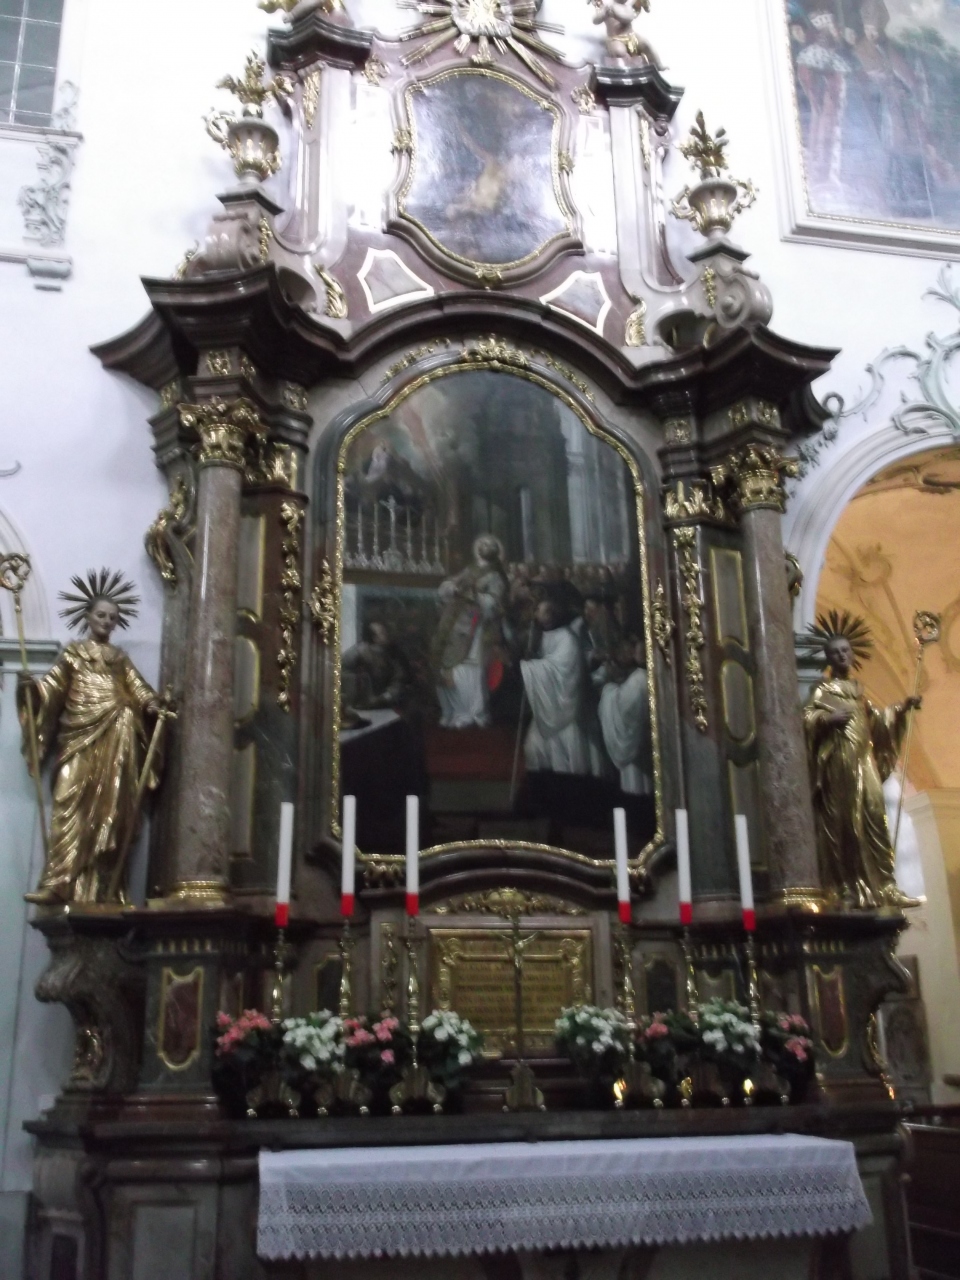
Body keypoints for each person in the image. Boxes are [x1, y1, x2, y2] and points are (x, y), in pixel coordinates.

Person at [18, 570, 164, 906]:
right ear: (87, 616)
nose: (107, 621)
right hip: (77, 737)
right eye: (101, 615)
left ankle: (103, 887)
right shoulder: (73, 655)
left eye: (113, 617)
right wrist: (32, 691)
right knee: (67, 803)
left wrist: (153, 704)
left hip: (117, 733)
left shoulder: (119, 660)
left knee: (111, 811)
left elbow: (140, 689)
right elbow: (51, 689)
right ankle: (58, 882)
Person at [803, 611, 920, 909]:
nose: (842, 655)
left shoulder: (859, 693)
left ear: (852, 653)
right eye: (835, 652)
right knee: (845, 823)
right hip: (839, 763)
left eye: (845, 650)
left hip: (864, 761)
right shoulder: (823, 690)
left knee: (874, 818)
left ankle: (886, 886)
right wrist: (828, 719)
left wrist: (901, 710)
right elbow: (806, 719)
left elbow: (878, 723)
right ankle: (845, 887)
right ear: (828, 659)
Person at [520, 596, 605, 777]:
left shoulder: (567, 638)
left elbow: (561, 669)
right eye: (539, 611)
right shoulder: (539, 635)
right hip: (549, 707)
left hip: (566, 709)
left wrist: (529, 668)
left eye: (545, 611)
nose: (541, 615)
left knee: (567, 759)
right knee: (533, 749)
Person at [433, 534, 509, 729]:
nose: (485, 547)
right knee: (448, 667)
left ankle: (473, 713)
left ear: (495, 552)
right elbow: (448, 585)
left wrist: (475, 596)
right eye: (483, 544)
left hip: (477, 627)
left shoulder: (496, 576)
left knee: (469, 670)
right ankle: (454, 711)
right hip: (456, 622)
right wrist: (452, 589)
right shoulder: (470, 570)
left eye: (489, 545)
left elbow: (494, 604)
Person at [599, 636, 652, 796]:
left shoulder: (639, 679)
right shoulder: (637, 677)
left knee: (639, 790)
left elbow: (622, 706)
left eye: (634, 647)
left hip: (641, 754)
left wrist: (608, 689)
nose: (629, 651)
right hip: (641, 753)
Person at [342, 620, 410, 712]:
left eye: (385, 631)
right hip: (358, 707)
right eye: (382, 633)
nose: (386, 634)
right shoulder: (357, 653)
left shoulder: (393, 654)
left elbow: (399, 680)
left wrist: (384, 697)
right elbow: (341, 672)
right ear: (374, 638)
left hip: (385, 706)